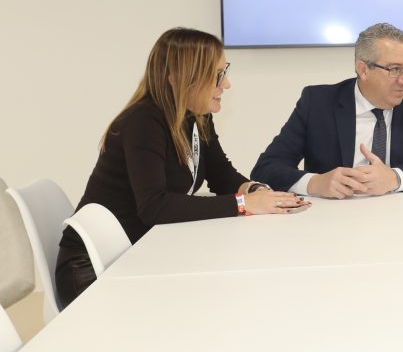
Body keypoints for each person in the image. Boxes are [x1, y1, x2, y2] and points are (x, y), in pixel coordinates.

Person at [56, 28, 303, 307]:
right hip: (94, 269)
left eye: (224, 72)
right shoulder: (143, 121)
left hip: (138, 254)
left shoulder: (196, 116)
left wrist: (256, 191)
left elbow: (221, 174)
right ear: (181, 79)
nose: (226, 84)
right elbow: (154, 206)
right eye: (217, 75)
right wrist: (243, 204)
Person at [251, 23, 403, 196]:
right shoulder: (318, 104)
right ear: (363, 70)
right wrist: (315, 183)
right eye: (395, 69)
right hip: (332, 219)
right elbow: (266, 168)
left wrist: (395, 178)